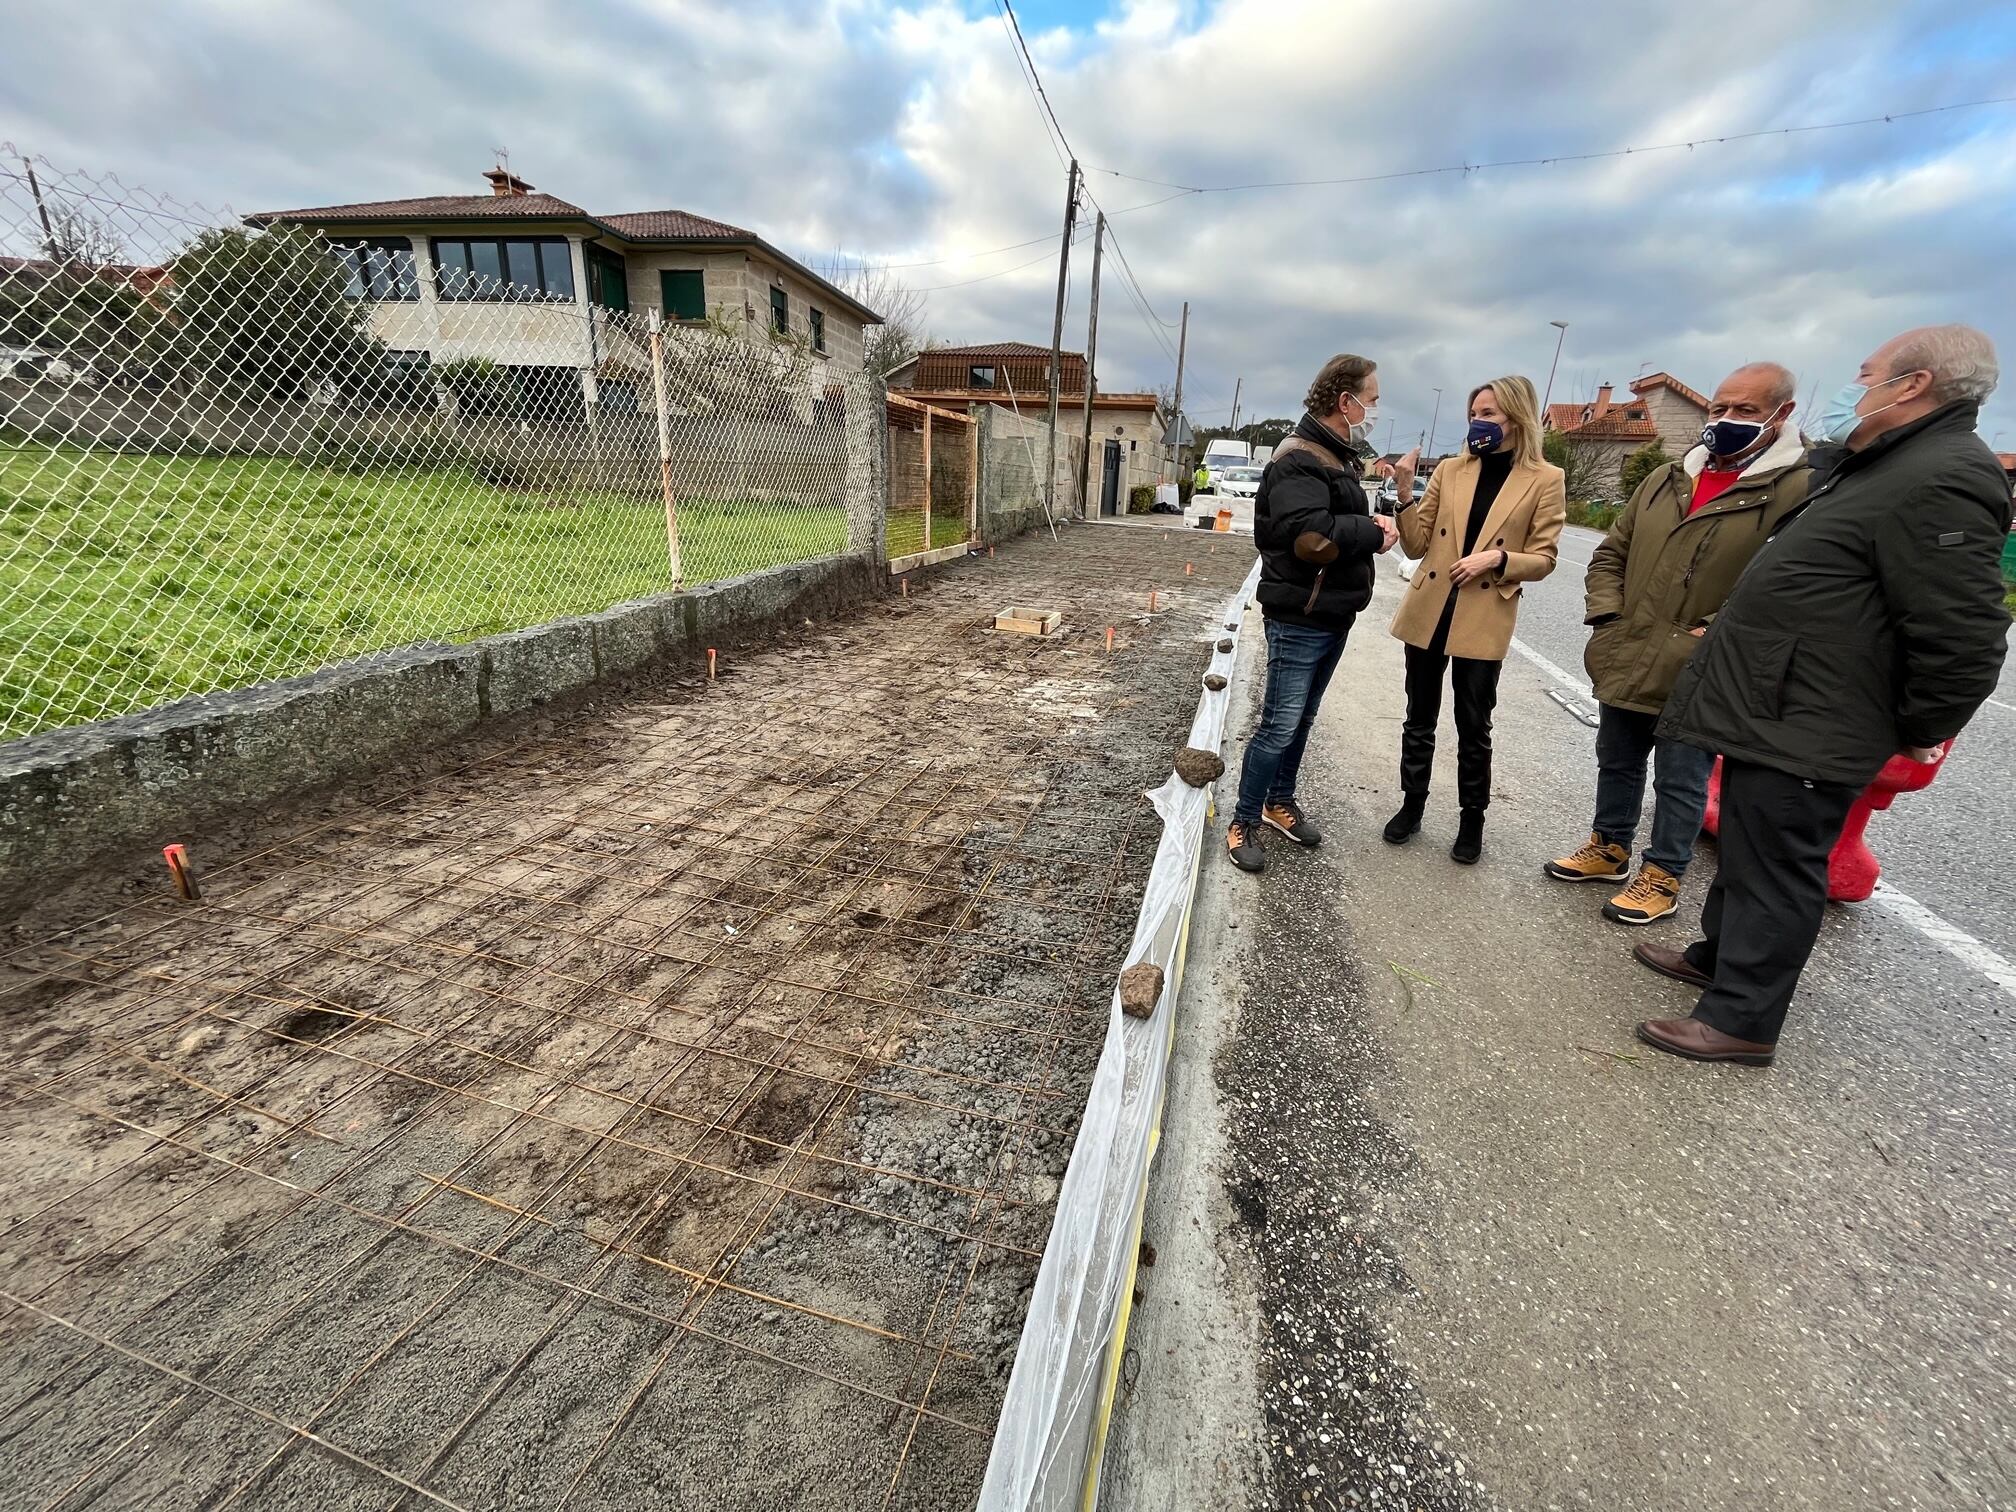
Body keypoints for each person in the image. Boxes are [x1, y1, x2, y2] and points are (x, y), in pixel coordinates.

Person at [1638, 325, 2012, 1065]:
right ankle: (1719, 958)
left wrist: (1918, 726)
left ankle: (1742, 1020)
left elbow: (1963, 630)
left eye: (1865, 374)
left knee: (1781, 865)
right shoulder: (1882, 463)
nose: (1851, 387)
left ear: (1913, 385)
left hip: (1820, 716)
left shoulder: (1945, 475)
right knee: (1748, 846)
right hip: (1778, 705)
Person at [1546, 363, 1812, 924]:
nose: (1725, 420)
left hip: (1704, 664)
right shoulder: (1667, 477)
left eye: (1744, 411)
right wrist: (1608, 617)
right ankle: (1609, 846)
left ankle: (1663, 875)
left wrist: (1710, 635)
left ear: (1781, 415)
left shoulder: (1795, 489)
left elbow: (1781, 587)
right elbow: (1610, 554)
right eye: (1719, 408)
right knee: (1616, 759)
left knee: (1682, 777)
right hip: (1630, 646)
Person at [1227, 354, 1415, 872]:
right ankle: (1243, 819)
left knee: (1302, 719)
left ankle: (1278, 802)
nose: (1373, 410)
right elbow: (1311, 538)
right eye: (1371, 400)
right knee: (1278, 725)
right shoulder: (1300, 456)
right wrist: (1373, 533)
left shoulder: (1338, 456)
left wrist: (1373, 519)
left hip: (1332, 610)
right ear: (1344, 401)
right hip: (1299, 613)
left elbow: (1335, 523)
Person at [1383, 376, 1565, 863]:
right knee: (1418, 718)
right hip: (1430, 609)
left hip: (1483, 614)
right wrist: (1404, 492)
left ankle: (1471, 821)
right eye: (1473, 414)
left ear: (1517, 419)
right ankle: (1412, 805)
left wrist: (1497, 561)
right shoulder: (1450, 469)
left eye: (1488, 415)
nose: (1477, 424)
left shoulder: (1545, 479)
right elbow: (1419, 546)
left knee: (1473, 726)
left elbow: (1545, 558)